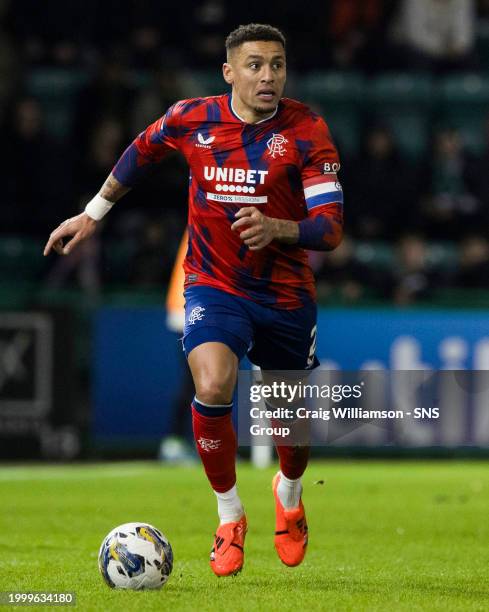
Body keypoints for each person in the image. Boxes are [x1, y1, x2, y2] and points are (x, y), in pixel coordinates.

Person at [43, 23, 344, 577]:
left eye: (277, 64)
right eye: (255, 65)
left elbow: (329, 228)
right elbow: (140, 151)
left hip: (284, 292)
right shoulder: (191, 118)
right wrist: (92, 214)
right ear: (228, 72)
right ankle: (230, 516)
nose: (268, 76)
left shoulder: (307, 130)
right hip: (214, 281)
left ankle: (291, 494)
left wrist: (278, 226)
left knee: (290, 430)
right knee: (211, 384)